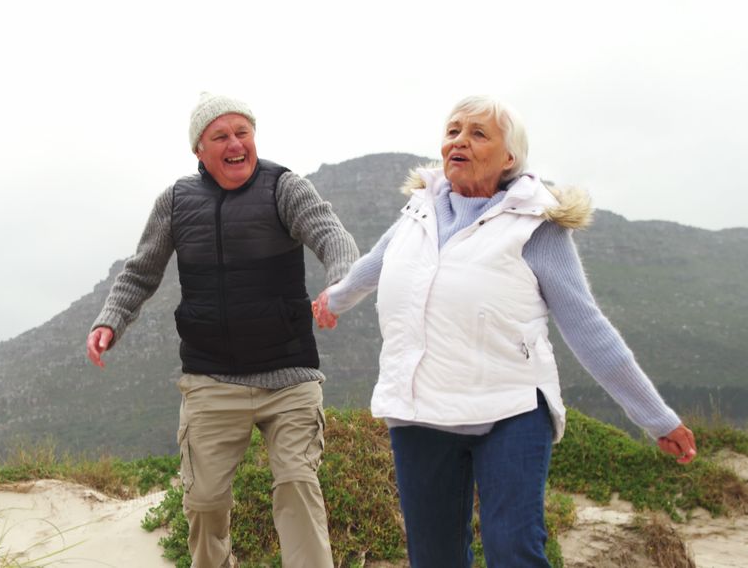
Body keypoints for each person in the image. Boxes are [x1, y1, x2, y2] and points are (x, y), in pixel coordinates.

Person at [312, 95, 697, 567]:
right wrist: (336, 298)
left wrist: (655, 416)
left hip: (511, 408)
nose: (460, 141)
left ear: (510, 157)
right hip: (421, 407)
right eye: (454, 131)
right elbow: (375, 265)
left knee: (513, 549)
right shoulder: (420, 212)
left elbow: (587, 328)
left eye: (478, 134)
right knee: (434, 558)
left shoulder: (537, 226)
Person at [86, 92, 359, 568]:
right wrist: (111, 320)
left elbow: (331, 235)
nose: (236, 144)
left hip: (289, 376)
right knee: (205, 503)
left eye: (243, 133)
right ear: (199, 150)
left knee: (297, 483)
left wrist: (339, 285)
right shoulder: (176, 202)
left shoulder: (285, 188)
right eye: (221, 136)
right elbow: (140, 271)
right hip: (212, 380)